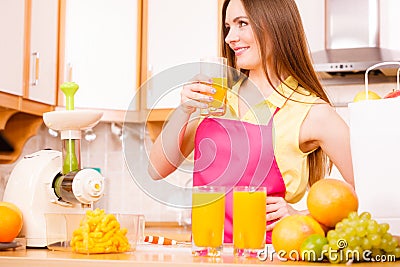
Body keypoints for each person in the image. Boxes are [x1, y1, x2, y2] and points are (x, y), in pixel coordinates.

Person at [148, 0, 354, 243]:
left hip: (270, 256)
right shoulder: (218, 98)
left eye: (241, 24)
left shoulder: (310, 111)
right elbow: (156, 169)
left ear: (277, 26)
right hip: (206, 255)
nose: (229, 38)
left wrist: (303, 216)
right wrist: (184, 109)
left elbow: (371, 189)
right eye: (228, 27)